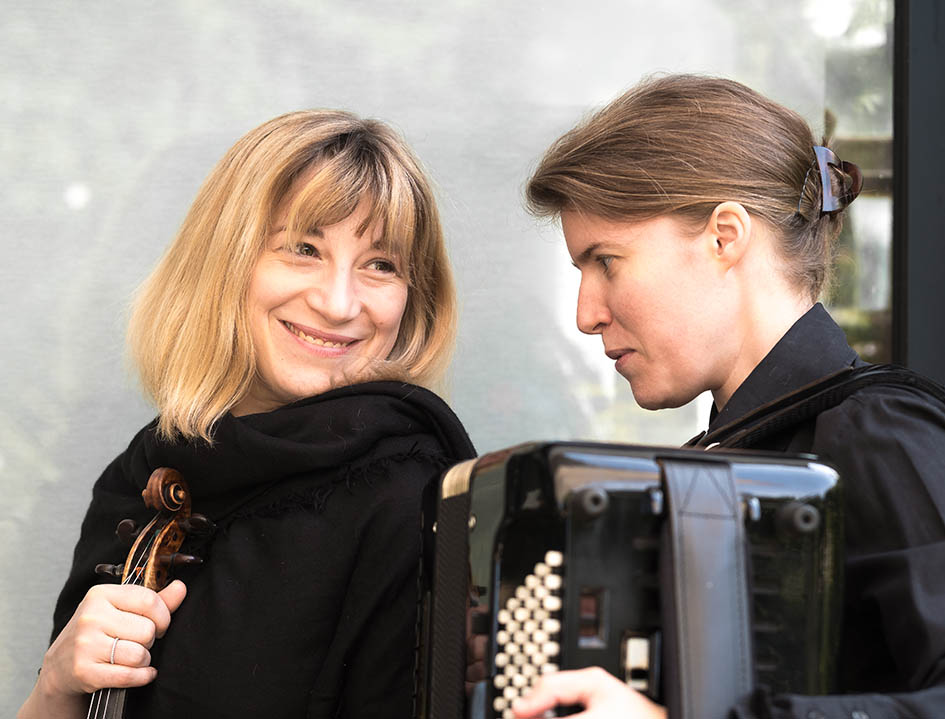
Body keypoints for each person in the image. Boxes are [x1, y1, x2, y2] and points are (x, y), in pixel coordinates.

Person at [18, 110, 475, 719]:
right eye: (304, 249)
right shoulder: (144, 475)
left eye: (380, 265)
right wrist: (55, 689)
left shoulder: (408, 501)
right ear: (225, 264)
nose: (339, 303)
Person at [514, 74, 945, 718]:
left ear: (725, 236)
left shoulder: (878, 432)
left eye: (606, 261)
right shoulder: (723, 458)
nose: (586, 313)